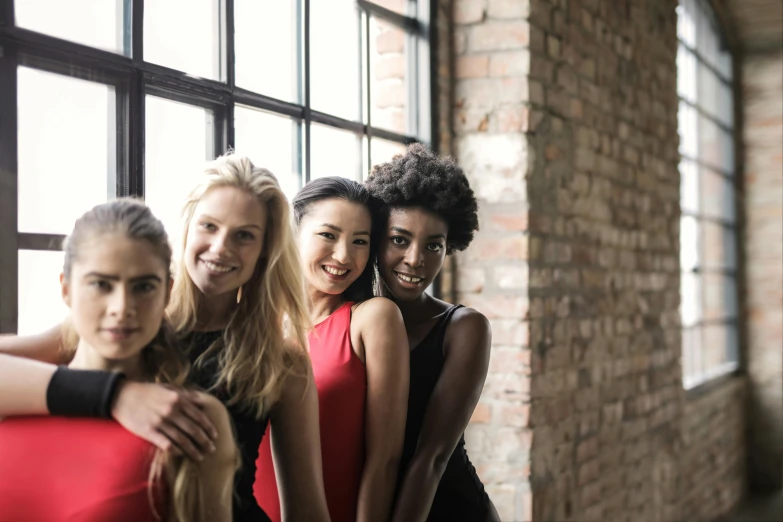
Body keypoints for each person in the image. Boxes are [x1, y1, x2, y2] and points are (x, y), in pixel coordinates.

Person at [0, 155, 330, 522]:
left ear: (265, 249)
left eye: (244, 235)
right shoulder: (125, 323)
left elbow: (307, 510)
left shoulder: (280, 361)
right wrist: (116, 395)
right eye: (209, 226)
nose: (221, 247)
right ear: (187, 226)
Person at [0, 199, 237, 522]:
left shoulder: (189, 417)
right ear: (66, 289)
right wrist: (114, 394)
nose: (122, 307)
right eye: (101, 284)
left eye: (143, 287)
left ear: (167, 293)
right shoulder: (15, 395)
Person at [255, 177, 409, 522]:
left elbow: (384, 459)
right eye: (328, 235)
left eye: (360, 241)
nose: (343, 255)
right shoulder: (252, 322)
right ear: (292, 233)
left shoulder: (372, 319)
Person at [364, 144, 501, 522]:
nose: (415, 259)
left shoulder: (464, 328)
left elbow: (433, 457)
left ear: (449, 247)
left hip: (452, 510)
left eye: (433, 245)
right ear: (376, 237)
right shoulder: (350, 319)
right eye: (399, 239)